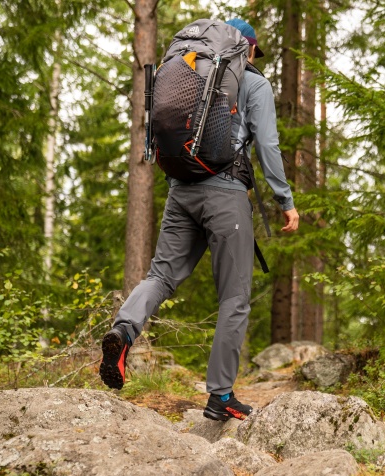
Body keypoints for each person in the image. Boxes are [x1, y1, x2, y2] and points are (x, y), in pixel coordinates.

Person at [99, 19, 299, 422]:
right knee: (234, 297)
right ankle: (220, 395)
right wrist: (285, 200)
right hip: (225, 195)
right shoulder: (254, 82)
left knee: (161, 276)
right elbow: (268, 144)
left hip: (181, 188)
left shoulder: (187, 66)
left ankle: (123, 330)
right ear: (249, 48)